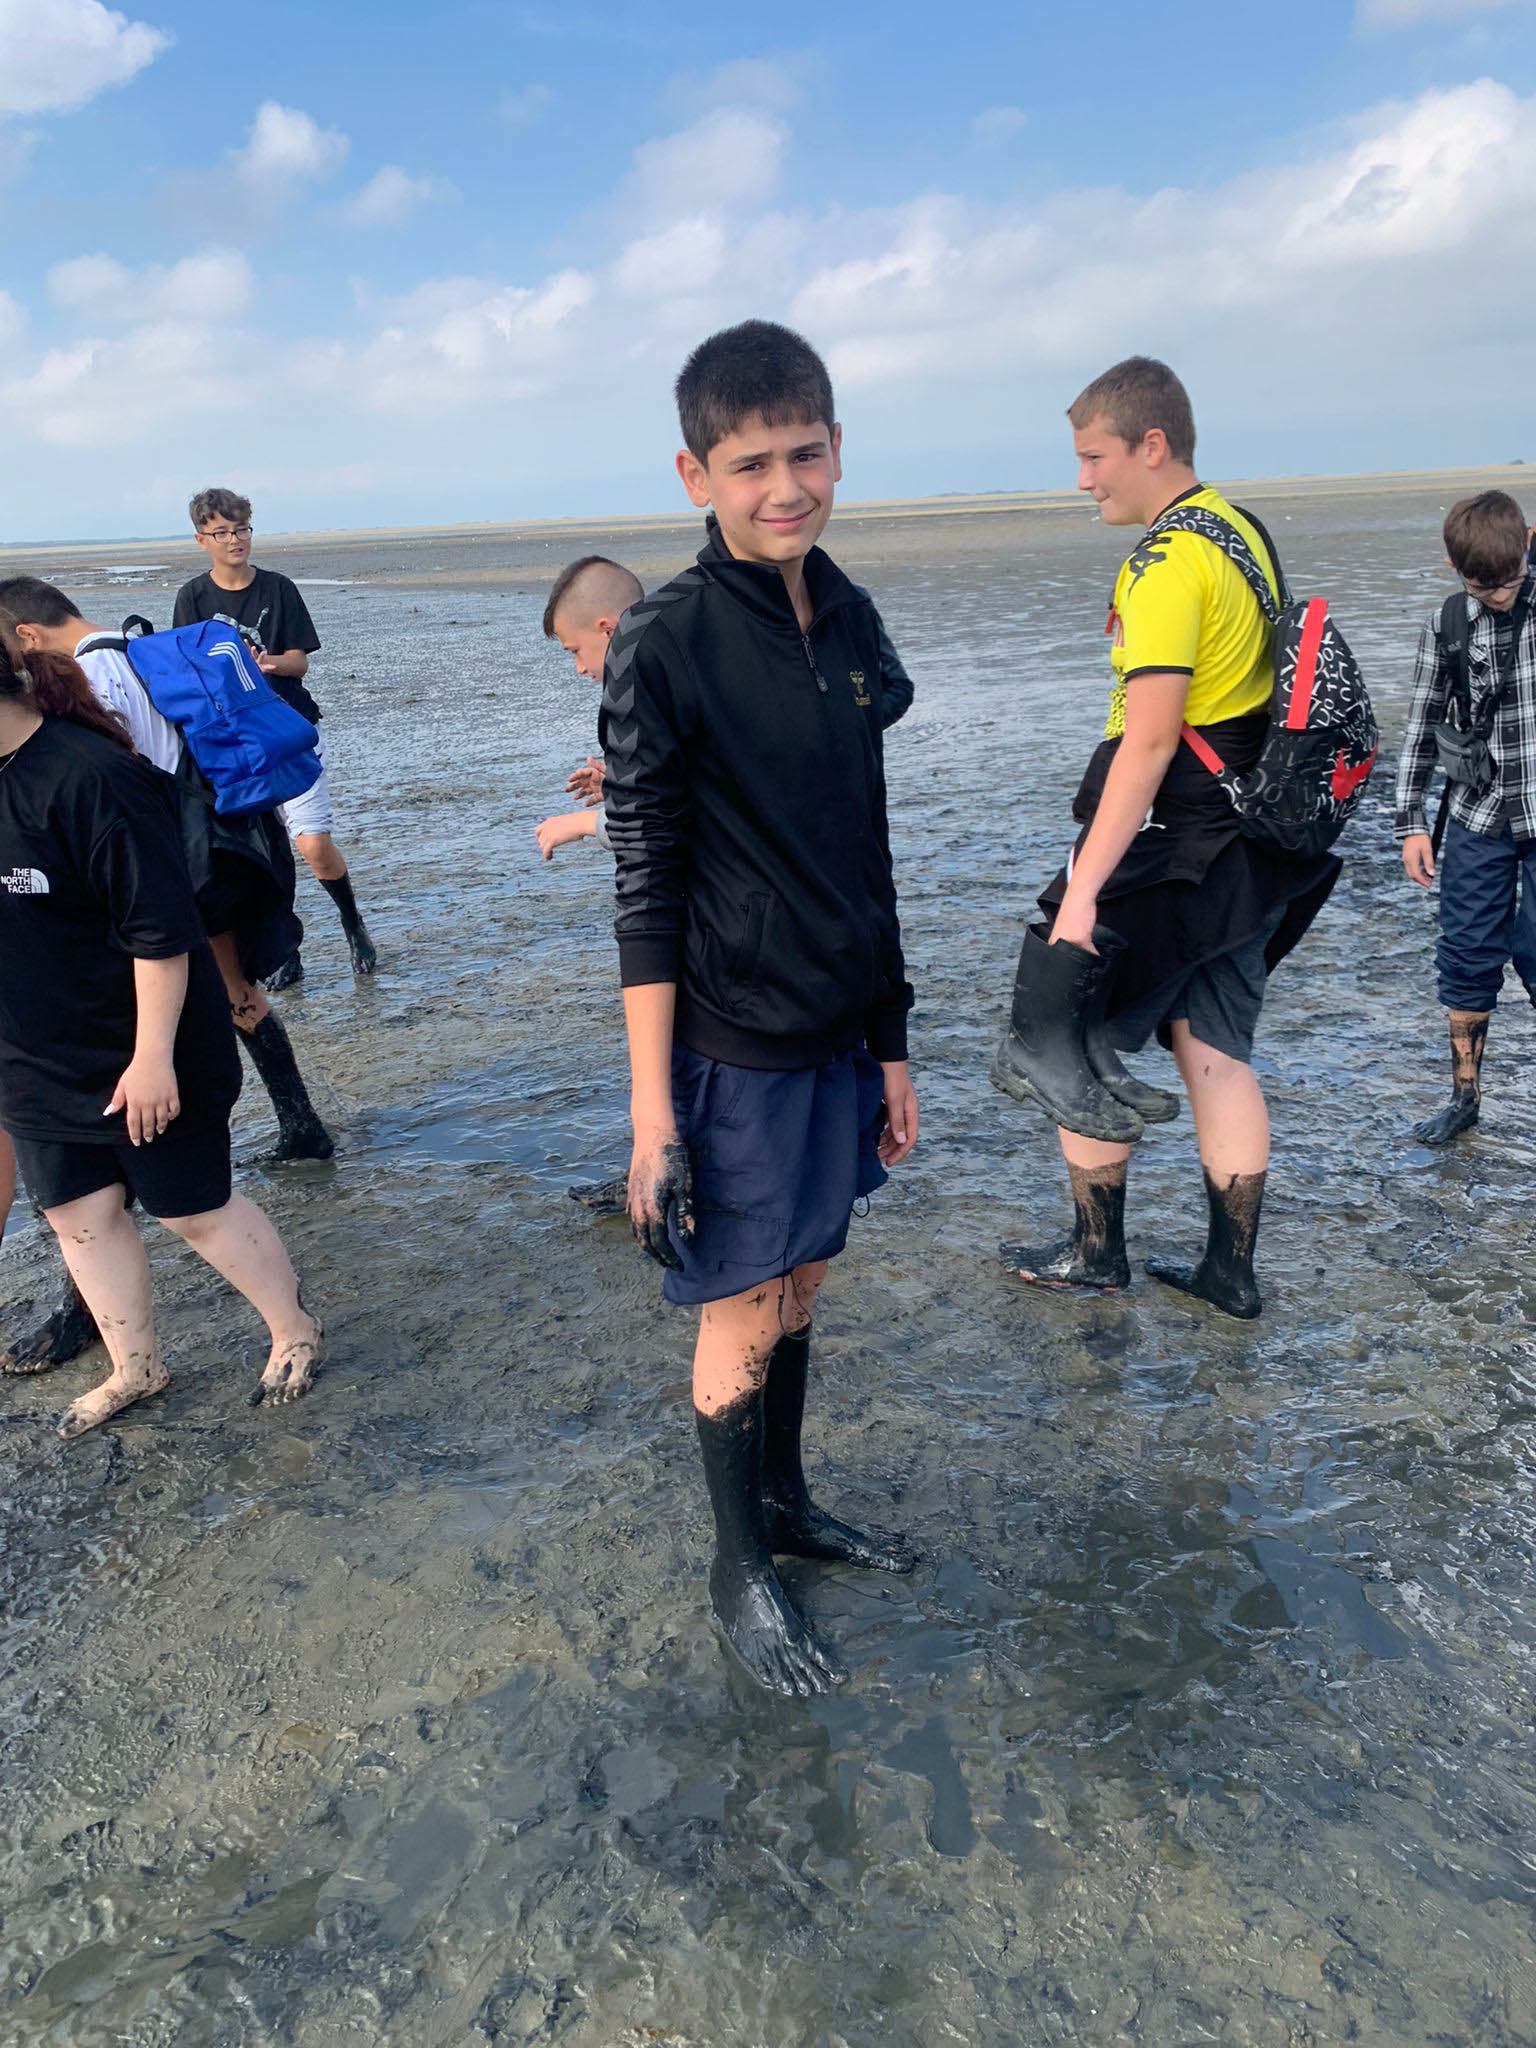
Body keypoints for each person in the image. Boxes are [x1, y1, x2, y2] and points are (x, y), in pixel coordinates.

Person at [599, 318, 920, 1699]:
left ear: (837, 448)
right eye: (750, 464)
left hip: (840, 1025)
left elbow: (867, 838)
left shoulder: (846, 617)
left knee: (805, 1276)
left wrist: (893, 1040)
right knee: (739, 1300)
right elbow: (645, 882)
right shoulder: (666, 640)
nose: (784, 487)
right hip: (734, 1038)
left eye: (805, 455)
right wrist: (652, 1114)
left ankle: (785, 1501)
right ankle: (737, 1563)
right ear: (697, 475)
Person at [994, 356, 1338, 1318]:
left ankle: (1095, 1252)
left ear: (1153, 446)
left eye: (1093, 457)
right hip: (1251, 842)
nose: (1082, 480)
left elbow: (1148, 741)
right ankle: (1231, 1272)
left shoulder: (1162, 562)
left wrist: (1083, 895)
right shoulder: (1239, 528)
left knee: (1065, 1033)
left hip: (1172, 835)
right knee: (1216, 1050)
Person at [0, 628, 322, 1438]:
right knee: (77, 1215)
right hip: (33, 1054)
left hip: (144, 1043)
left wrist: (151, 1061)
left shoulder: (92, 778)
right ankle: (134, 1366)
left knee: (191, 1208)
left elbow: (161, 935)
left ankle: (293, 1327)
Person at [0, 578, 333, 1164]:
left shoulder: (93, 674)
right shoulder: (142, 650)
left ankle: (233, 1131)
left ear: (27, 635)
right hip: (217, 848)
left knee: (183, 996)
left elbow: (108, 783)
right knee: (237, 989)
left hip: (167, 862)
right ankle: (299, 1122)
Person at [536, 555, 917, 861]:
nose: (579, 668)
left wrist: (587, 823)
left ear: (608, 629)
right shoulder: (670, 664)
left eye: (574, 651)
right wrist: (627, 785)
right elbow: (685, 791)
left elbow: (678, 821)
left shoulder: (694, 654)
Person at [173, 488, 376, 987]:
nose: (235, 540)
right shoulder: (192, 598)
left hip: (290, 731)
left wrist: (264, 664)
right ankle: (285, 949)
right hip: (235, 745)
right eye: (222, 532)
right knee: (263, 854)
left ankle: (353, 923)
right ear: (202, 539)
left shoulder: (278, 588)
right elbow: (189, 672)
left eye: (242, 529)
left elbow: (299, 662)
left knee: (313, 845)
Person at [1396, 491, 1536, 1143]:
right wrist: (1411, 823)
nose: (1500, 595)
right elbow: (1421, 725)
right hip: (1480, 817)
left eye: (1510, 580)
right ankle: (1464, 1096)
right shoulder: (1447, 624)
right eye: (1484, 586)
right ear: (1454, 567)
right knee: (1466, 954)